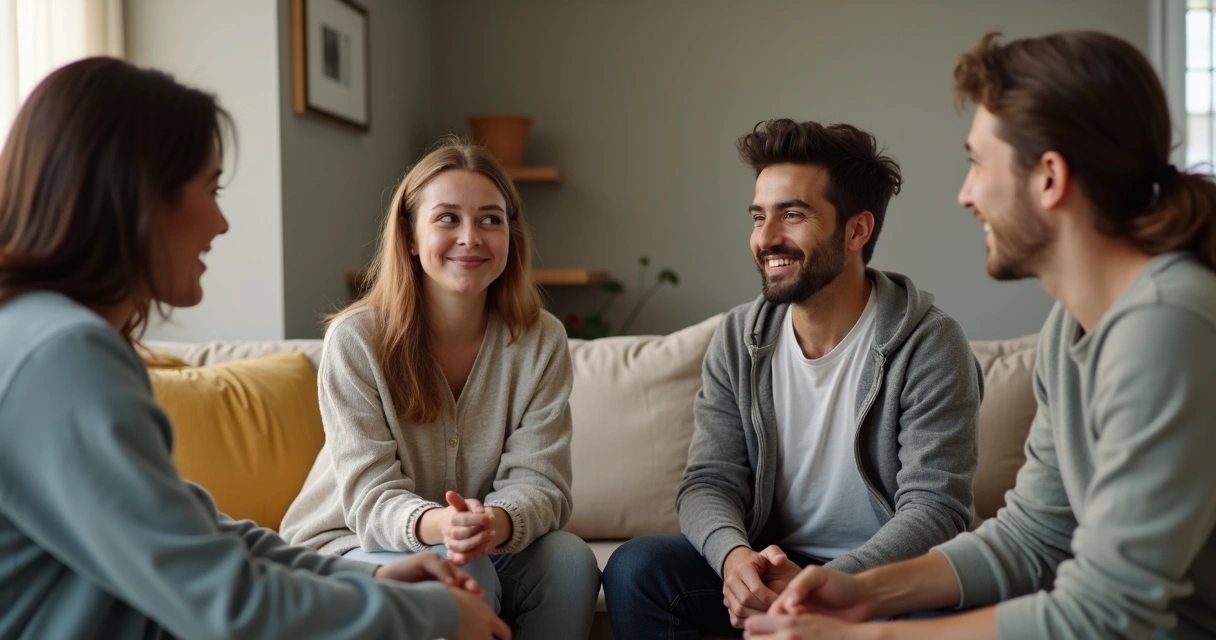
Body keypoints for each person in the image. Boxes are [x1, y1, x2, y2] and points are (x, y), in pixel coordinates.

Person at [0, 57, 509, 640]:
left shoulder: (45, 340)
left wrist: (372, 583)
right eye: (210, 189)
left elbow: (198, 532)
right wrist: (436, 614)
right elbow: (226, 602)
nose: (220, 224)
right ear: (135, 195)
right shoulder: (60, 360)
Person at [749, 31, 1216, 640]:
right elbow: (1037, 533)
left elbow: (1107, 612)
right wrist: (862, 590)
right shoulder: (1067, 327)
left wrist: (863, 636)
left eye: (977, 163)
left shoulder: (1166, 324)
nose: (966, 195)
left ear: (1048, 178)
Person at [601, 118, 983, 639]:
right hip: (774, 565)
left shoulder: (930, 343)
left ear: (857, 230)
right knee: (637, 569)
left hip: (884, 580)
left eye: (793, 215)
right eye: (759, 216)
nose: (766, 238)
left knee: (951, 609)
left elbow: (936, 509)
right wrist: (735, 561)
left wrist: (826, 583)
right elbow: (709, 481)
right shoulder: (739, 336)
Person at [279, 139, 601, 639]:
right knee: (458, 571)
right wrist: (444, 529)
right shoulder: (357, 340)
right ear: (409, 236)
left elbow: (543, 482)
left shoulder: (541, 340)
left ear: (510, 236)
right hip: (350, 544)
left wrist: (495, 521)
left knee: (569, 560)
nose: (471, 237)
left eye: (490, 220)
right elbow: (369, 497)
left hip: (478, 543)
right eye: (447, 218)